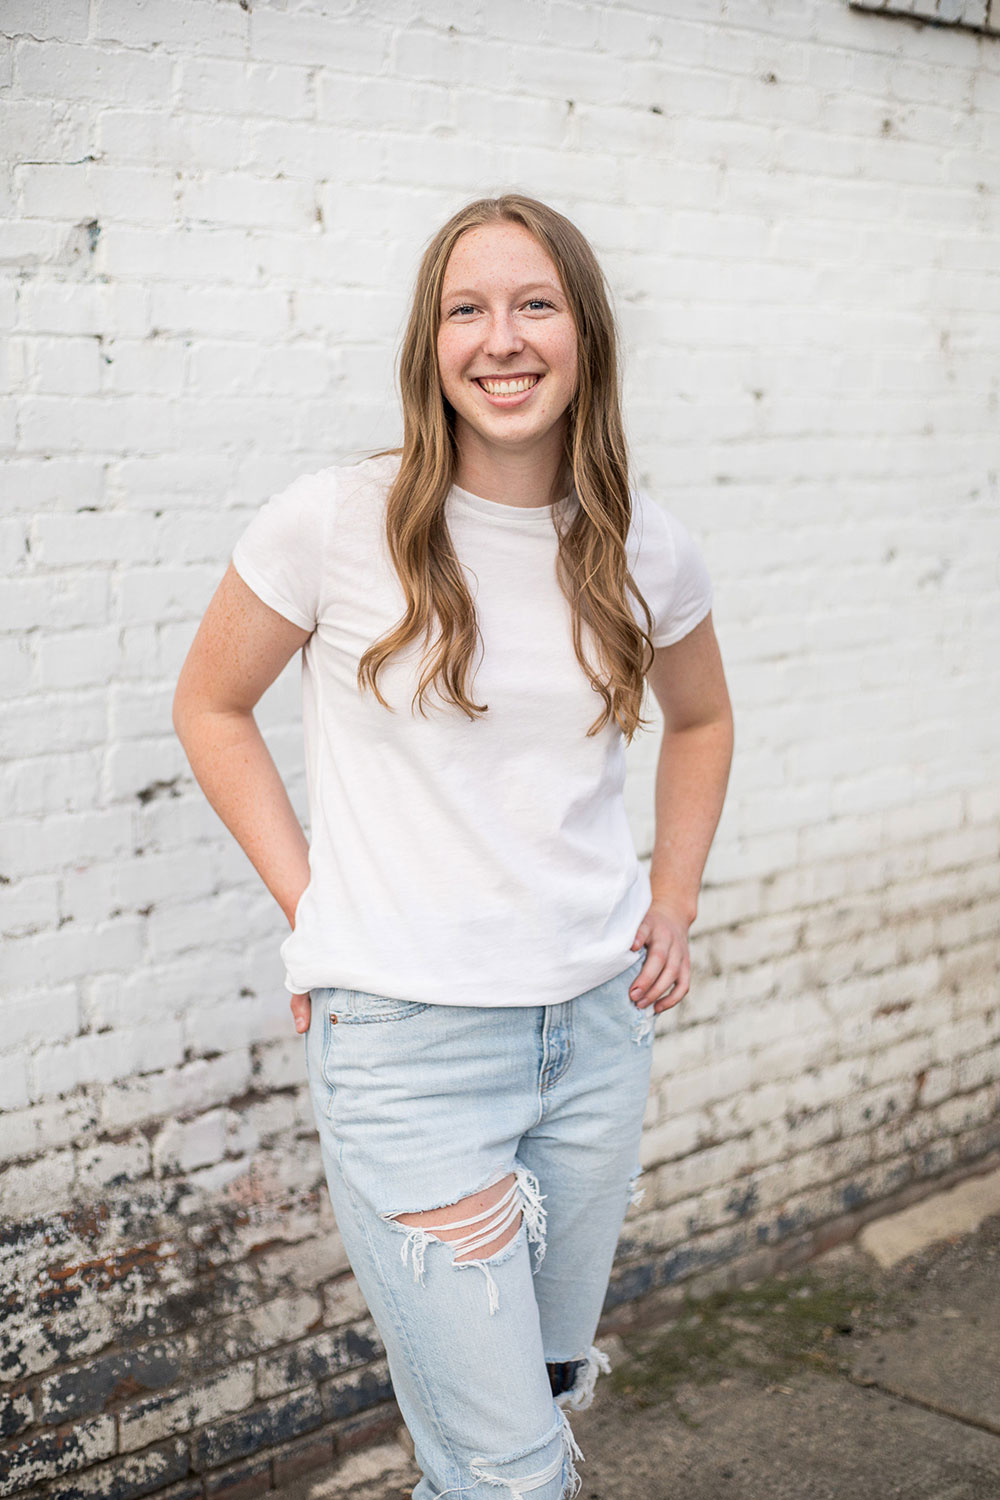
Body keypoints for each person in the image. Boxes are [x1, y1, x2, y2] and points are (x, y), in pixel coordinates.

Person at [172, 192, 733, 1500]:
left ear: (586, 334)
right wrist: (317, 909)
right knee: (509, 1475)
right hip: (410, 1052)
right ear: (430, 344)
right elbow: (211, 706)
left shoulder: (645, 544)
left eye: (536, 304)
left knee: (533, 1400)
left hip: (595, 1035)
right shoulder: (334, 520)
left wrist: (674, 896)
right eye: (465, 309)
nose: (502, 338)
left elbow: (702, 720)